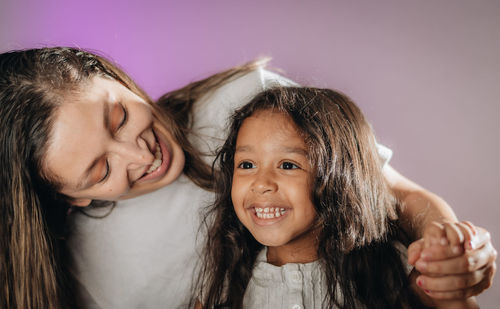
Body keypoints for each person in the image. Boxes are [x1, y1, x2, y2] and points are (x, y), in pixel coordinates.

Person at [0, 47, 495, 308]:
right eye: (101, 170)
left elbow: (392, 193)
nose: (138, 151)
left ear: (112, 75)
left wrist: (448, 246)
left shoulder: (245, 102)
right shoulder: (84, 274)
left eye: (119, 118)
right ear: (68, 200)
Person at [195, 86, 480, 308]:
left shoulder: (393, 268)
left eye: (288, 165)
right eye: (246, 165)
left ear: (339, 177)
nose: (261, 184)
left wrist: (448, 256)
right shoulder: (227, 280)